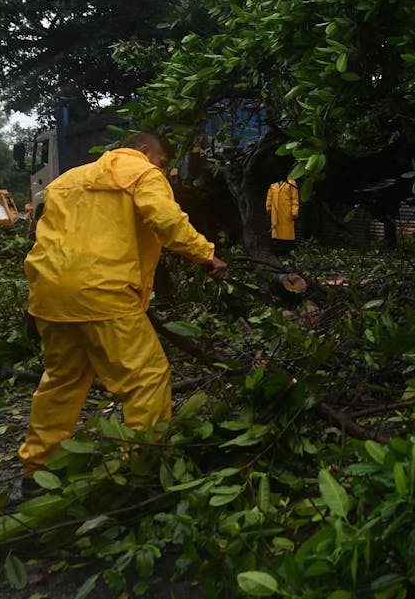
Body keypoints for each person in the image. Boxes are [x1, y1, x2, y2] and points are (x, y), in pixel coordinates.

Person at [18, 132, 228, 486]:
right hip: (105, 292)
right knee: (147, 378)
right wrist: (206, 255)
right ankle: (141, 467)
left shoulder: (65, 181)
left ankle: (37, 470)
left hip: (49, 294)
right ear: (144, 150)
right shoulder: (143, 174)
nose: (161, 167)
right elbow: (167, 222)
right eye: (162, 159)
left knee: (61, 382)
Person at [266, 178, 300, 254]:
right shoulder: (273, 184)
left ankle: (288, 250)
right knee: (276, 231)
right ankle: (278, 250)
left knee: (287, 232)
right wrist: (268, 208)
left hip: (287, 212)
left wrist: (294, 212)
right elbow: (269, 197)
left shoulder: (291, 182)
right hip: (275, 213)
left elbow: (295, 199)